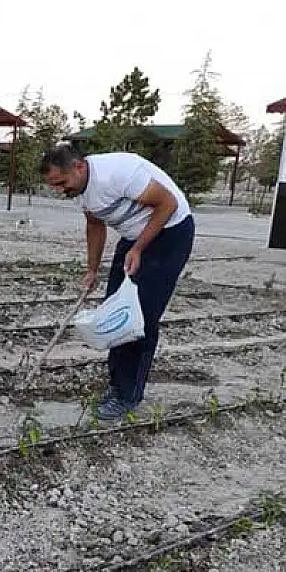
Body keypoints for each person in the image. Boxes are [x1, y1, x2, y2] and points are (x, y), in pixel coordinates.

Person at [40, 144, 195, 420]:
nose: (59, 191)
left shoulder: (118, 173)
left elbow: (168, 204)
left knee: (138, 318)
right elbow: (95, 225)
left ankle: (128, 395)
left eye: (61, 183)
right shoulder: (78, 190)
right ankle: (117, 384)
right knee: (115, 309)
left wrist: (138, 249)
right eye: (54, 186)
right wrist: (92, 270)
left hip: (170, 233)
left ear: (79, 166)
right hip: (135, 236)